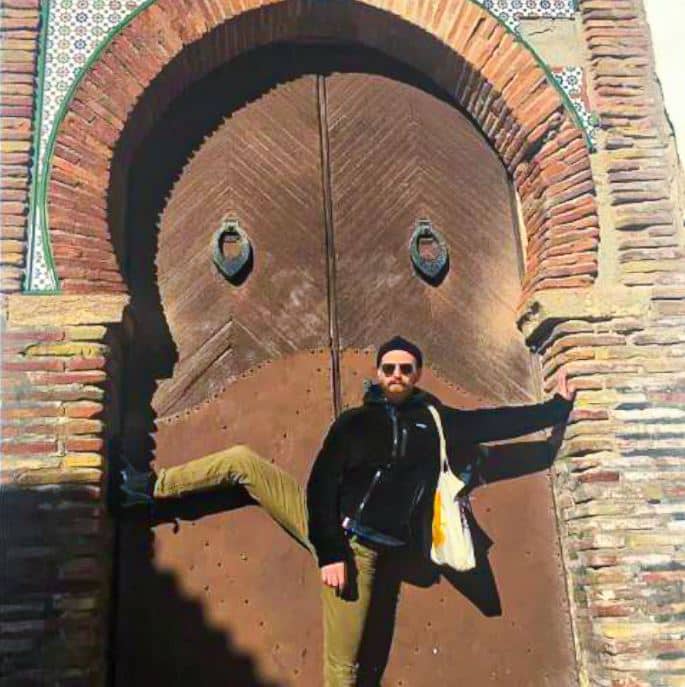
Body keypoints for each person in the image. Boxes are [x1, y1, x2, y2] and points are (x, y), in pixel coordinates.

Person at [121, 335, 576, 686]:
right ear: (379, 373)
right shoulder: (356, 423)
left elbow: (497, 422)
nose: (396, 374)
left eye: (406, 368)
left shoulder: (436, 423)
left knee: (343, 668)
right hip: (337, 537)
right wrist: (330, 551)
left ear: (416, 375)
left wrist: (557, 407)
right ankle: (144, 489)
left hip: (369, 557)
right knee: (242, 462)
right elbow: (323, 483)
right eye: (389, 367)